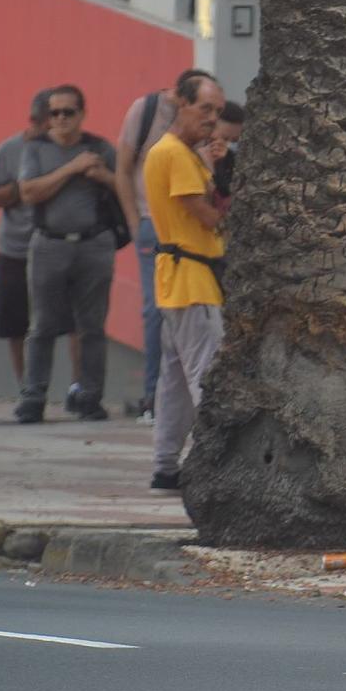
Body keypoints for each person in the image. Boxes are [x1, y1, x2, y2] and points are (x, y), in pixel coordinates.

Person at [14, 86, 120, 423]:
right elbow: (29, 193)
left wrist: (102, 175)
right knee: (42, 325)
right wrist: (72, 169)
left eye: (68, 112)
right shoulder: (36, 149)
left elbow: (128, 187)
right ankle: (33, 396)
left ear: (82, 114)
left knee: (91, 326)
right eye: (54, 113)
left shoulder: (100, 148)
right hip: (49, 244)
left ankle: (89, 396)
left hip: (94, 244)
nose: (60, 119)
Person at [143, 71, 226, 491]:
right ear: (182, 104)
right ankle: (218, 465)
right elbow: (208, 215)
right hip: (193, 280)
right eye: (205, 109)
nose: (212, 119)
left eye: (218, 111)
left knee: (174, 380)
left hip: (178, 279)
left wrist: (214, 164)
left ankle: (165, 463)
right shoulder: (174, 154)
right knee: (206, 376)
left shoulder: (185, 153)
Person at [115, 72, 202, 420]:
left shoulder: (201, 124)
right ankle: (153, 397)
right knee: (156, 311)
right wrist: (135, 224)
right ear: (180, 97)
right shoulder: (147, 110)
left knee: (194, 308)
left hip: (190, 227)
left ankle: (187, 397)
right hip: (153, 224)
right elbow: (122, 169)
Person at [0, 90, 50, 387]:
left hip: (53, 247)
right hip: (14, 249)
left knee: (62, 322)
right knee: (15, 324)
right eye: (45, 124)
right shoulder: (9, 149)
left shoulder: (65, 150)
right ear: (33, 121)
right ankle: (26, 386)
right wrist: (23, 188)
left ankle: (71, 386)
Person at [206, 101, 245, 212]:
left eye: (234, 140)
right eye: (224, 138)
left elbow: (226, 190)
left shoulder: (232, 157)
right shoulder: (191, 153)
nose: (228, 144)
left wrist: (219, 163)